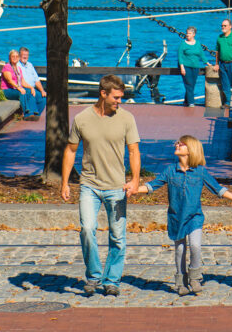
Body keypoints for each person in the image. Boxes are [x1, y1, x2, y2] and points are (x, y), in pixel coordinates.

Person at [61, 75, 141, 297]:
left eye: (121, 98)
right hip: (89, 186)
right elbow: (70, 150)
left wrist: (135, 180)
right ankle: (94, 275)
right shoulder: (81, 118)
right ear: (103, 94)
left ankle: (112, 280)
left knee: (118, 236)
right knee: (87, 229)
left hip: (117, 188)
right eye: (116, 97)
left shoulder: (127, 119)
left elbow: (134, 150)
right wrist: (65, 182)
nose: (119, 102)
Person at [130, 135, 232, 295]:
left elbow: (218, 189)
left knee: (195, 246)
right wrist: (134, 189)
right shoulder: (170, 170)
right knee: (180, 250)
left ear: (191, 150)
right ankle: (181, 282)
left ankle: (195, 276)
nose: (177, 145)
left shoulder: (200, 172)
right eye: (177, 143)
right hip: (176, 217)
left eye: (181, 144)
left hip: (194, 217)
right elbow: (152, 185)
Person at [178, 27, 215, 107]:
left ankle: (186, 101)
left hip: (195, 67)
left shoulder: (197, 43)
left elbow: (201, 54)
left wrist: (208, 63)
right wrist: (182, 67)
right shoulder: (183, 44)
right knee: (189, 84)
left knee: (192, 85)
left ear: (194, 34)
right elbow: (180, 56)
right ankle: (191, 102)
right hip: (186, 66)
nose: (187, 35)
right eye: (187, 33)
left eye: (189, 33)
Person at [0, 49, 39, 121]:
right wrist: (19, 88)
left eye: (16, 56)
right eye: (13, 56)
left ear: (18, 58)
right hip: (7, 90)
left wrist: (31, 87)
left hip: (15, 89)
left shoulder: (18, 68)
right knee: (22, 92)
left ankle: (33, 112)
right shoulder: (7, 67)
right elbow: (9, 80)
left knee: (29, 91)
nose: (15, 58)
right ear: (9, 58)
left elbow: (23, 82)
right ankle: (26, 113)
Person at [214, 19, 232, 108]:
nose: (223, 27)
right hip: (223, 64)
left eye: (225, 25)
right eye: (222, 26)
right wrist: (216, 63)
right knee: (225, 84)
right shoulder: (219, 37)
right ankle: (228, 102)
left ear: (230, 26)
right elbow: (217, 51)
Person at [18, 47, 47, 115]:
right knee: (31, 94)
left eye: (27, 55)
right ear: (19, 55)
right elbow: (20, 81)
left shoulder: (30, 65)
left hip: (32, 88)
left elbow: (36, 80)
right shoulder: (17, 65)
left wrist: (42, 90)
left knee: (43, 98)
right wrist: (31, 88)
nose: (25, 57)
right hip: (24, 88)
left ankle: (36, 114)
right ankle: (30, 114)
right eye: (23, 55)